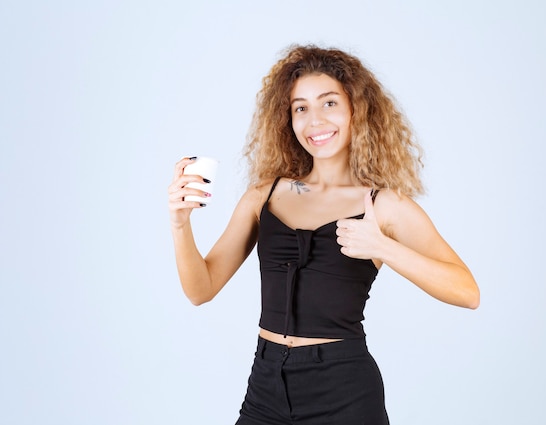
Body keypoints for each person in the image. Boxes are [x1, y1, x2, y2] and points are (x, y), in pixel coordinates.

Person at [168, 44, 479, 425]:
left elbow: (468, 292)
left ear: (355, 110)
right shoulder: (262, 196)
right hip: (266, 385)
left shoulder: (383, 205)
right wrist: (180, 224)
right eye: (301, 107)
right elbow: (202, 290)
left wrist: (384, 248)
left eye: (329, 103)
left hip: (343, 391)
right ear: (288, 119)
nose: (314, 120)